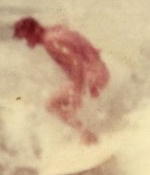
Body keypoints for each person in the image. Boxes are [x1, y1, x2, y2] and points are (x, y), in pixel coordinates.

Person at [13, 16, 109, 144]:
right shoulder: (56, 30)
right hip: (101, 72)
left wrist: (77, 91)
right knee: (66, 103)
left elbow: (76, 63)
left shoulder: (50, 41)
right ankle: (88, 133)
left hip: (91, 76)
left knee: (52, 105)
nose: (26, 43)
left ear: (35, 31)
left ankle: (87, 135)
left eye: (25, 37)